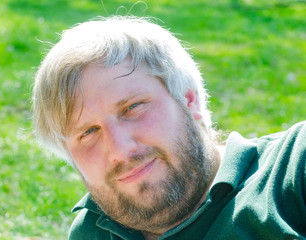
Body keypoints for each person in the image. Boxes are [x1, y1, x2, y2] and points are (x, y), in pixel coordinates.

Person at [32, 16, 305, 240]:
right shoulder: (92, 232)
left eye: (133, 107)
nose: (121, 150)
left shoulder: (293, 168)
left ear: (189, 100)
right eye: (88, 132)